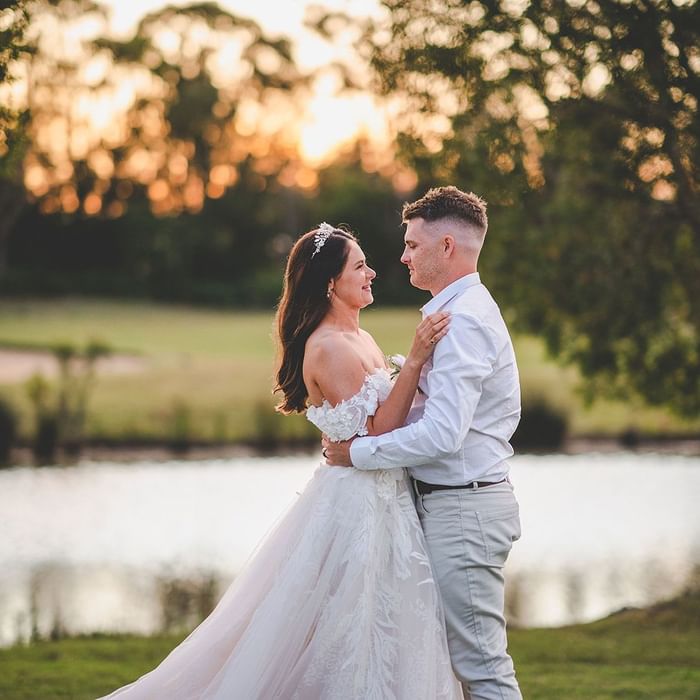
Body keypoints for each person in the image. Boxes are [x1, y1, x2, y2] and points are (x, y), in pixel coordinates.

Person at [97, 223, 462, 699]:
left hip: (387, 497)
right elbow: (379, 433)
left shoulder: (361, 338)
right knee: (349, 624)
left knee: (392, 621)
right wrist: (414, 360)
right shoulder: (327, 346)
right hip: (358, 509)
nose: (372, 272)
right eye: (359, 266)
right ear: (330, 282)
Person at [323, 186, 523, 700]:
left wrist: (357, 453)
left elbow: (442, 434)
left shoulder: (464, 322)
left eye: (412, 245)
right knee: (451, 668)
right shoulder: (452, 314)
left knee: (480, 669)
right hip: (451, 507)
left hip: (464, 510)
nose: (403, 255)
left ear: (447, 247)